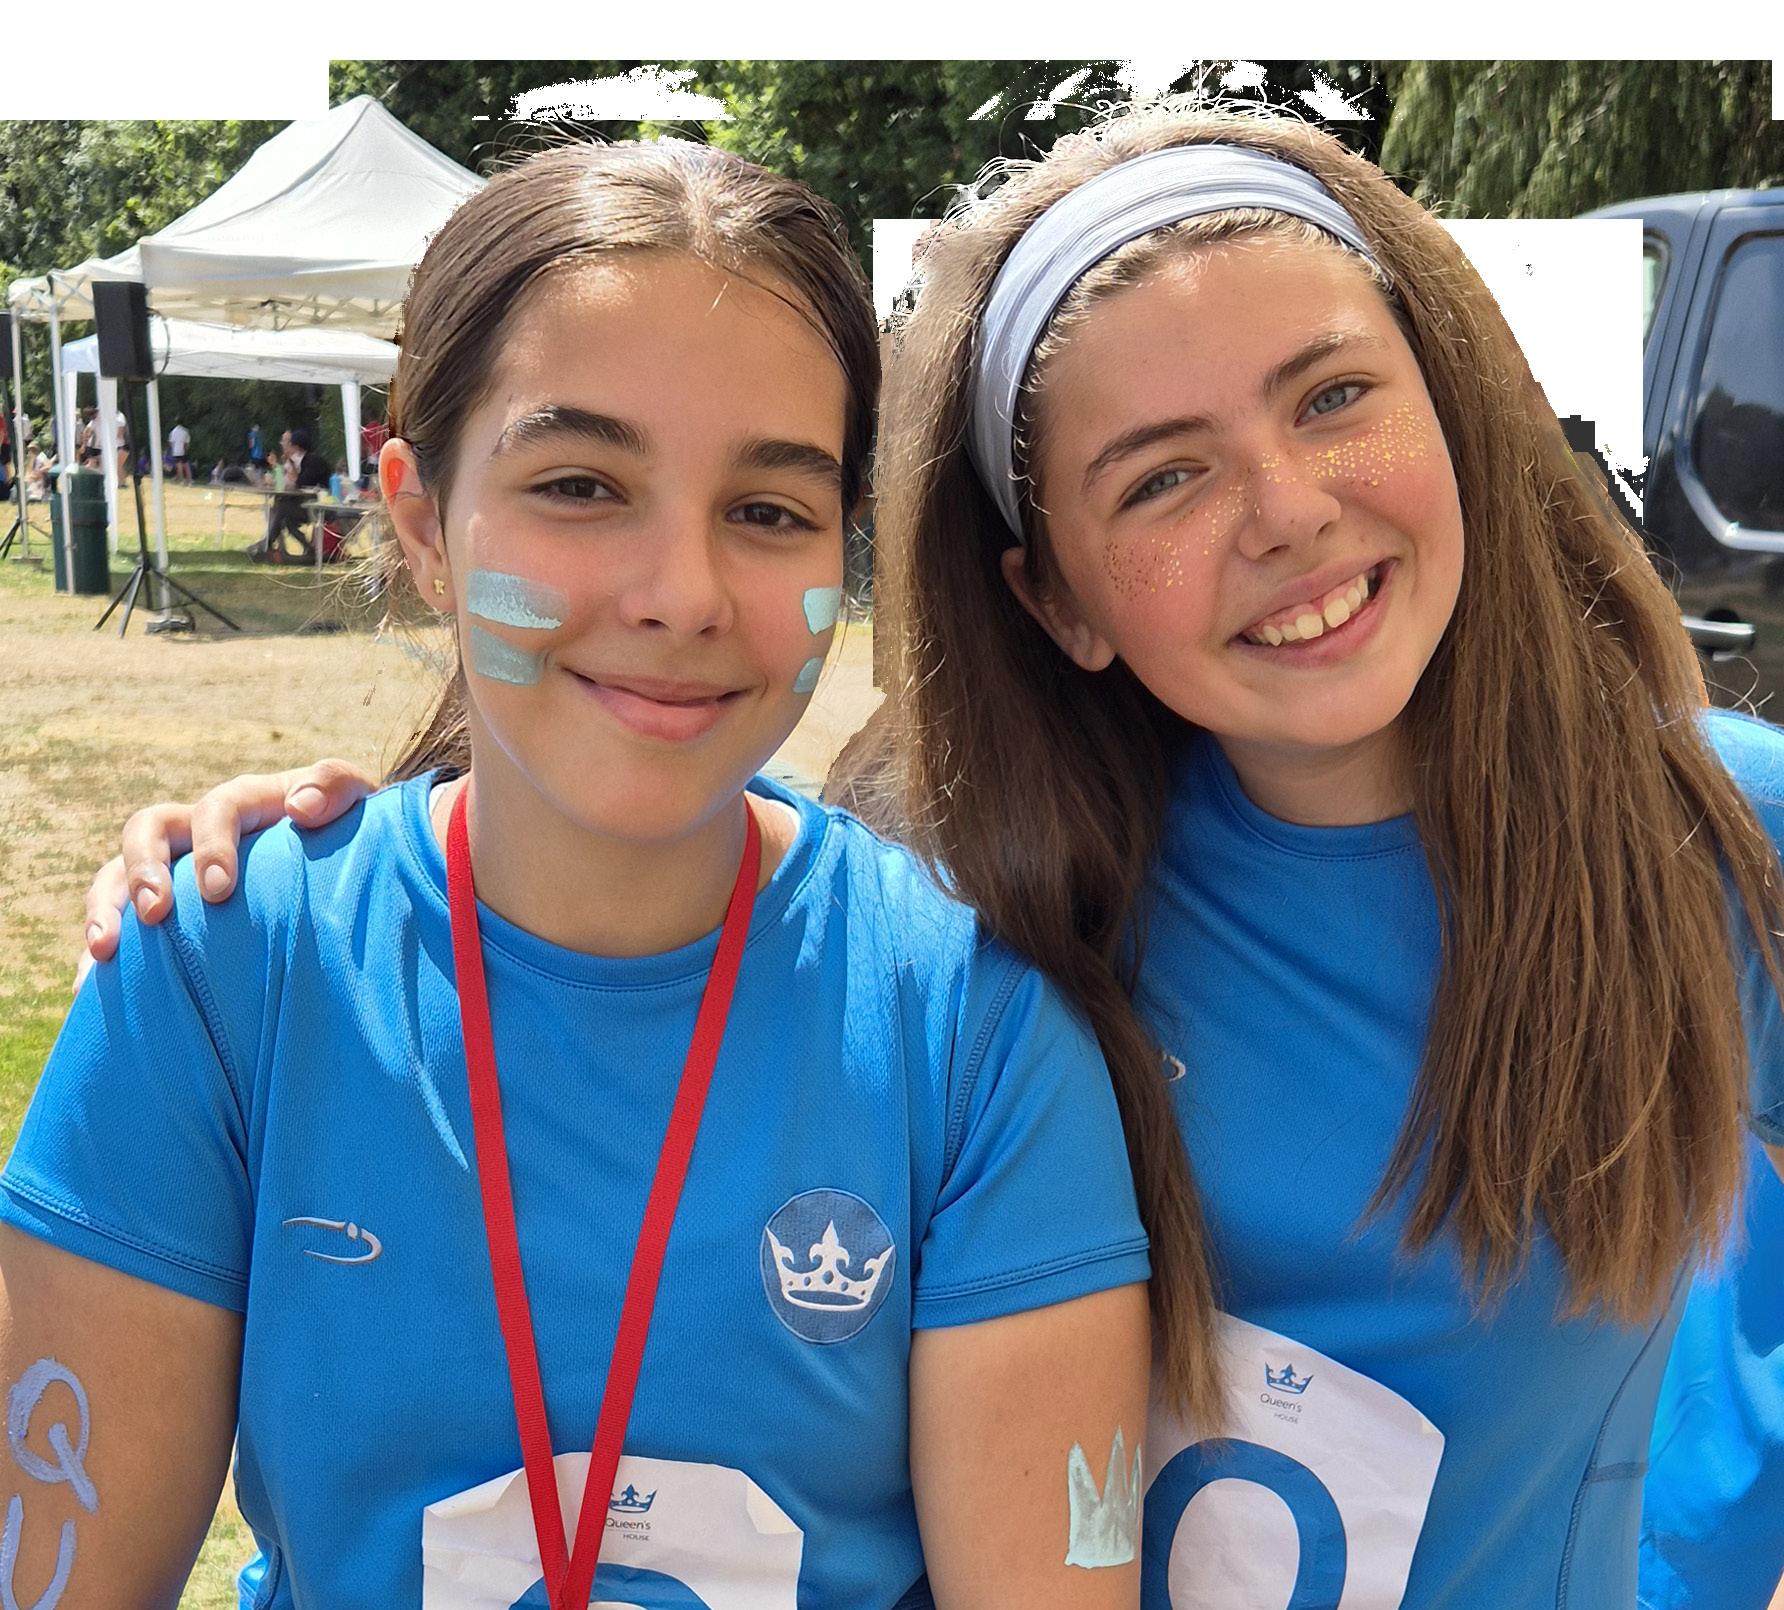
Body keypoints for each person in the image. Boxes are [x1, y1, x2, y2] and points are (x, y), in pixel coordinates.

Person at [79, 104, 1784, 1606]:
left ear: (1458, 402)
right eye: (1160, 479)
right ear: (1054, 598)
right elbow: (611, 834)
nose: (1281, 509)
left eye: (1333, 396)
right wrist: (282, 884)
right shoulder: (982, 893)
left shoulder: (1708, 841)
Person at [7, 139, 1157, 1609]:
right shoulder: (219, 968)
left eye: (768, 510)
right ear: (422, 522)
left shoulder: (971, 1031)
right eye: (578, 484)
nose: (680, 593)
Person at [254, 426, 330, 561]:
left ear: (297, 447)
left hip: (321, 506)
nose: (286, 447)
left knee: (283, 508)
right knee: (286, 515)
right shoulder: (303, 461)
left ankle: (266, 544)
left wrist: (287, 463)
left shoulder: (312, 461)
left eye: (290, 445)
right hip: (309, 502)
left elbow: (299, 483)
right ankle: (308, 549)